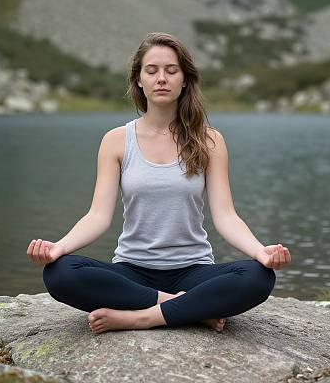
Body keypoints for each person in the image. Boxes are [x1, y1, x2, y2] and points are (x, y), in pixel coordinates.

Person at [27, 32, 291, 334]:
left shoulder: (210, 140)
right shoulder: (115, 141)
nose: (161, 78)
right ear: (139, 79)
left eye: (171, 70)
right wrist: (58, 248)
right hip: (132, 271)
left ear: (184, 79)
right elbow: (98, 216)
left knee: (259, 277)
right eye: (151, 71)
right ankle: (190, 308)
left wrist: (261, 253)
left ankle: (140, 317)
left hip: (194, 269)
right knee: (59, 273)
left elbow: (225, 216)